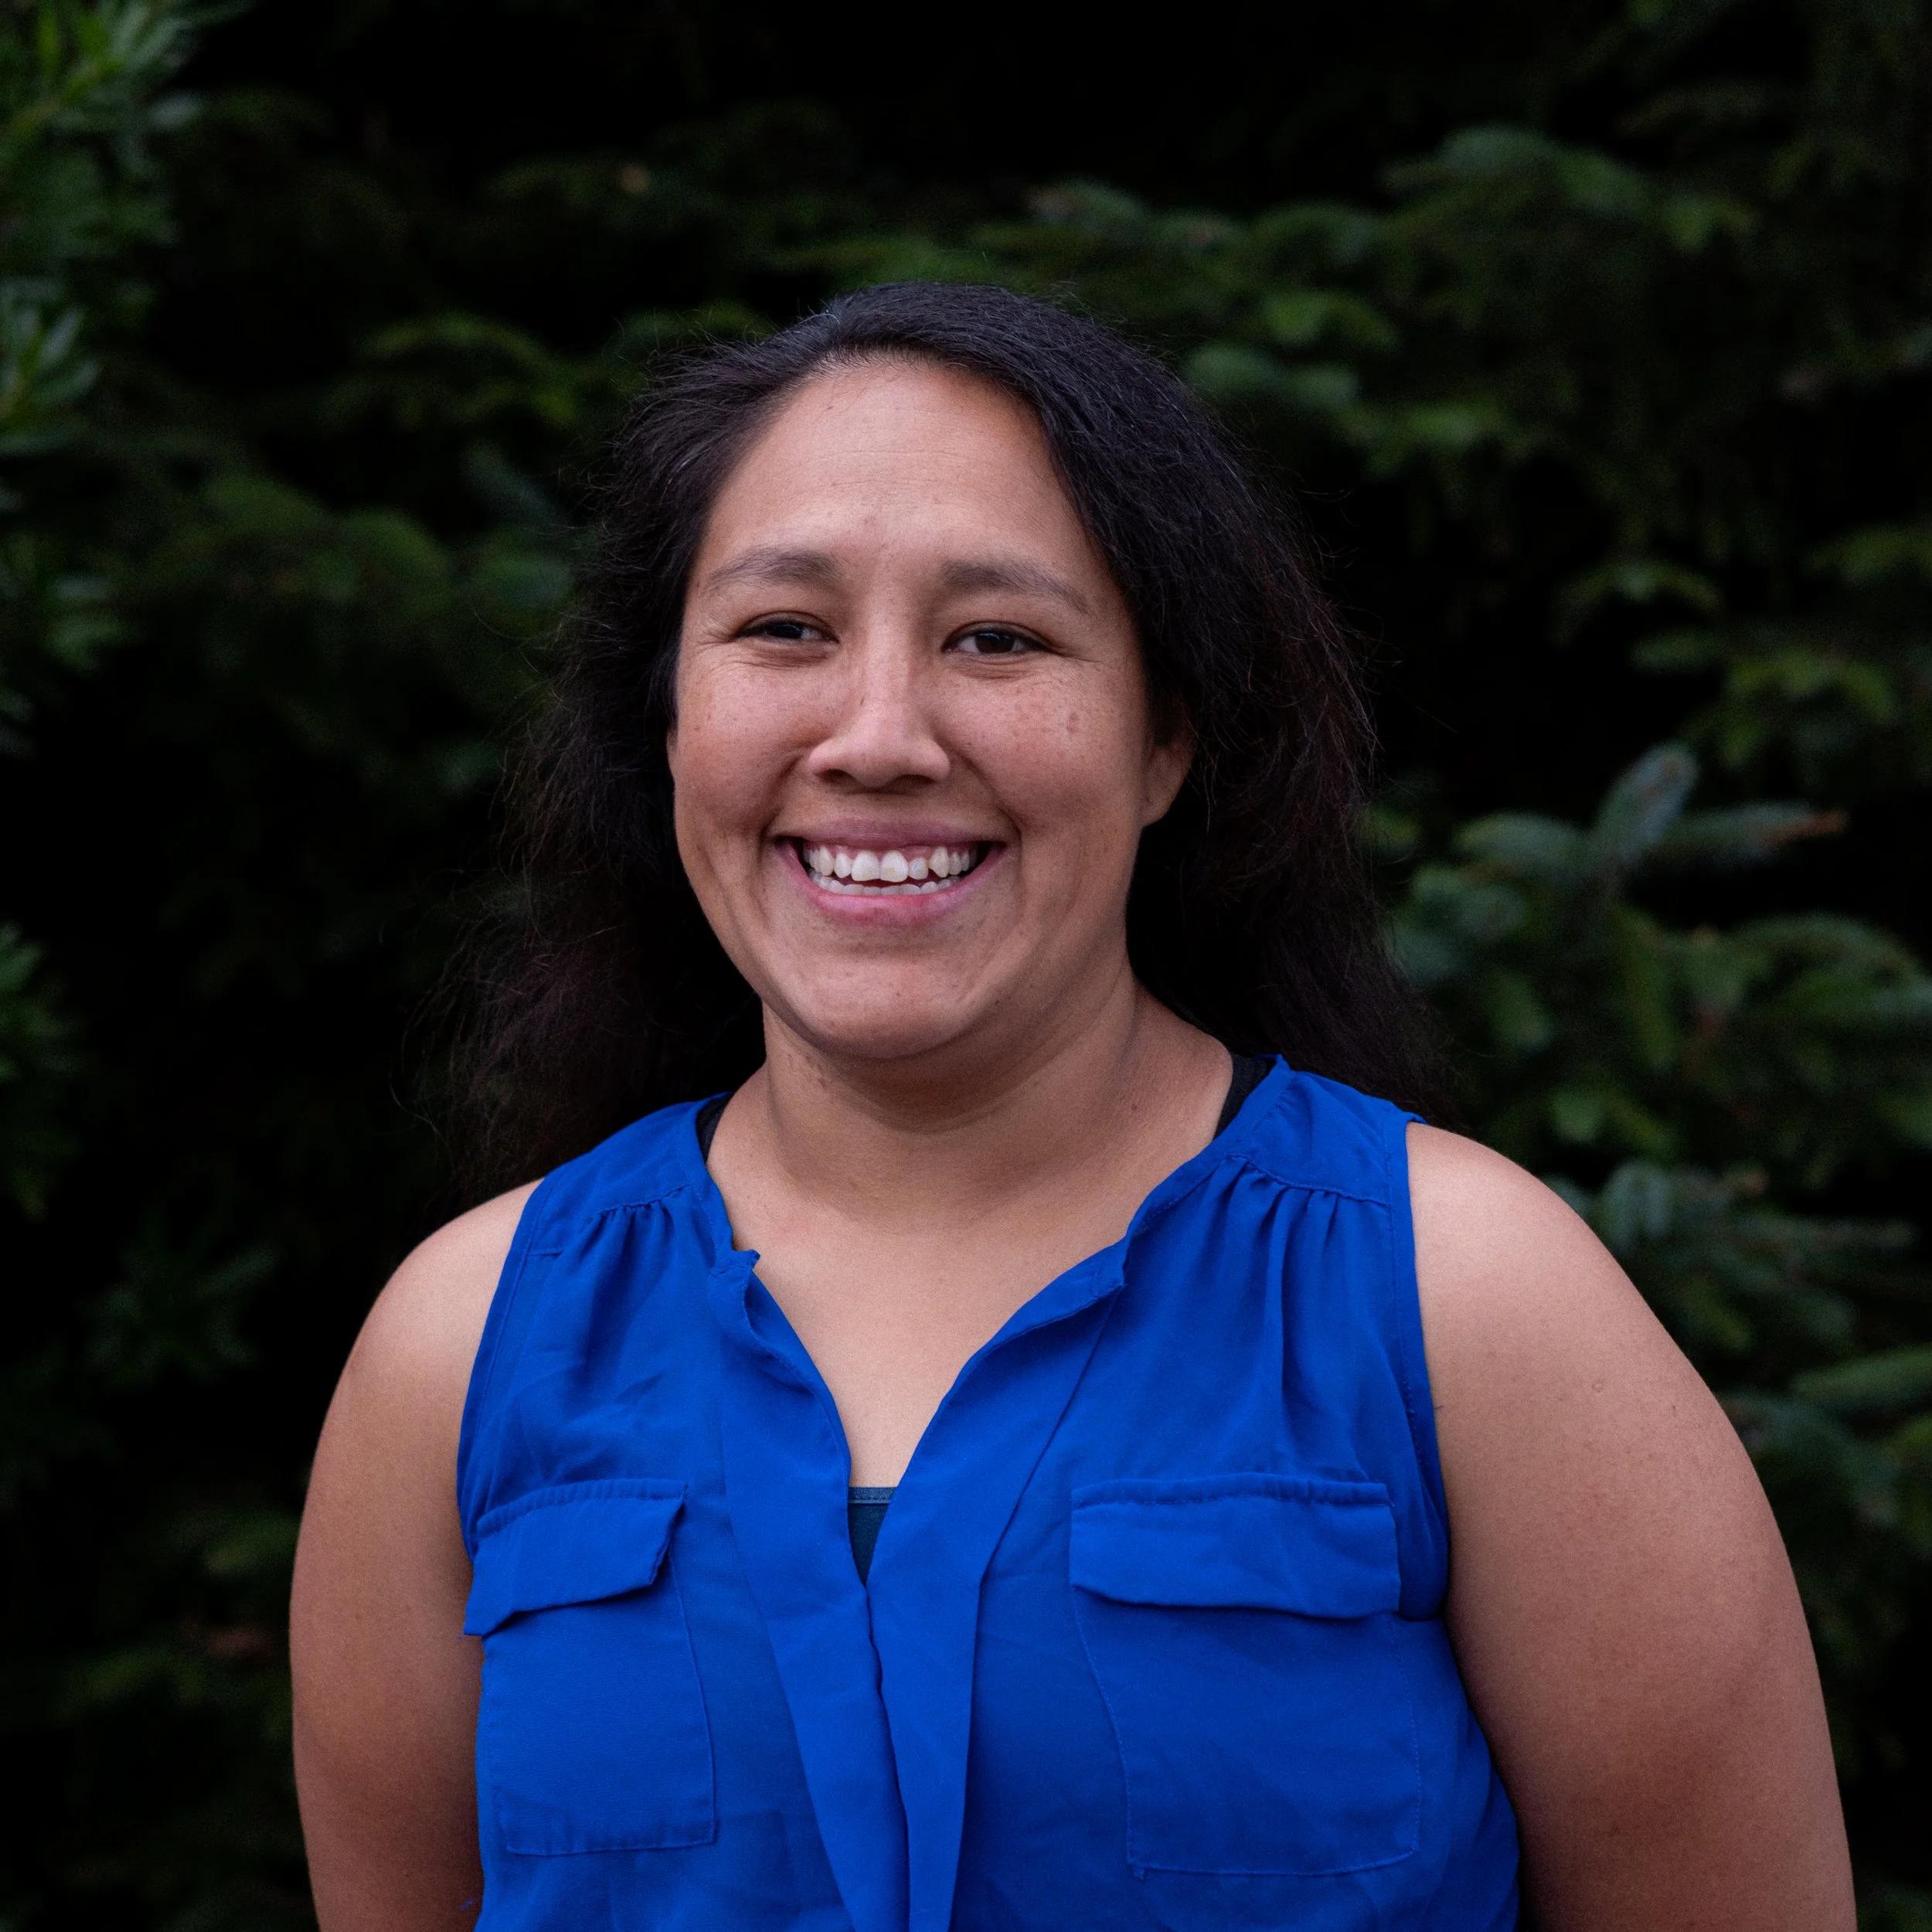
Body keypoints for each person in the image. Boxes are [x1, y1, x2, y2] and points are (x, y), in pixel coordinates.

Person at [288, 283, 1853, 1932]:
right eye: (783, 630)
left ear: (1168, 735)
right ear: (669, 721)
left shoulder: (1472, 1304)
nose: (878, 737)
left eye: (998, 638)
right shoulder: (459, 1349)